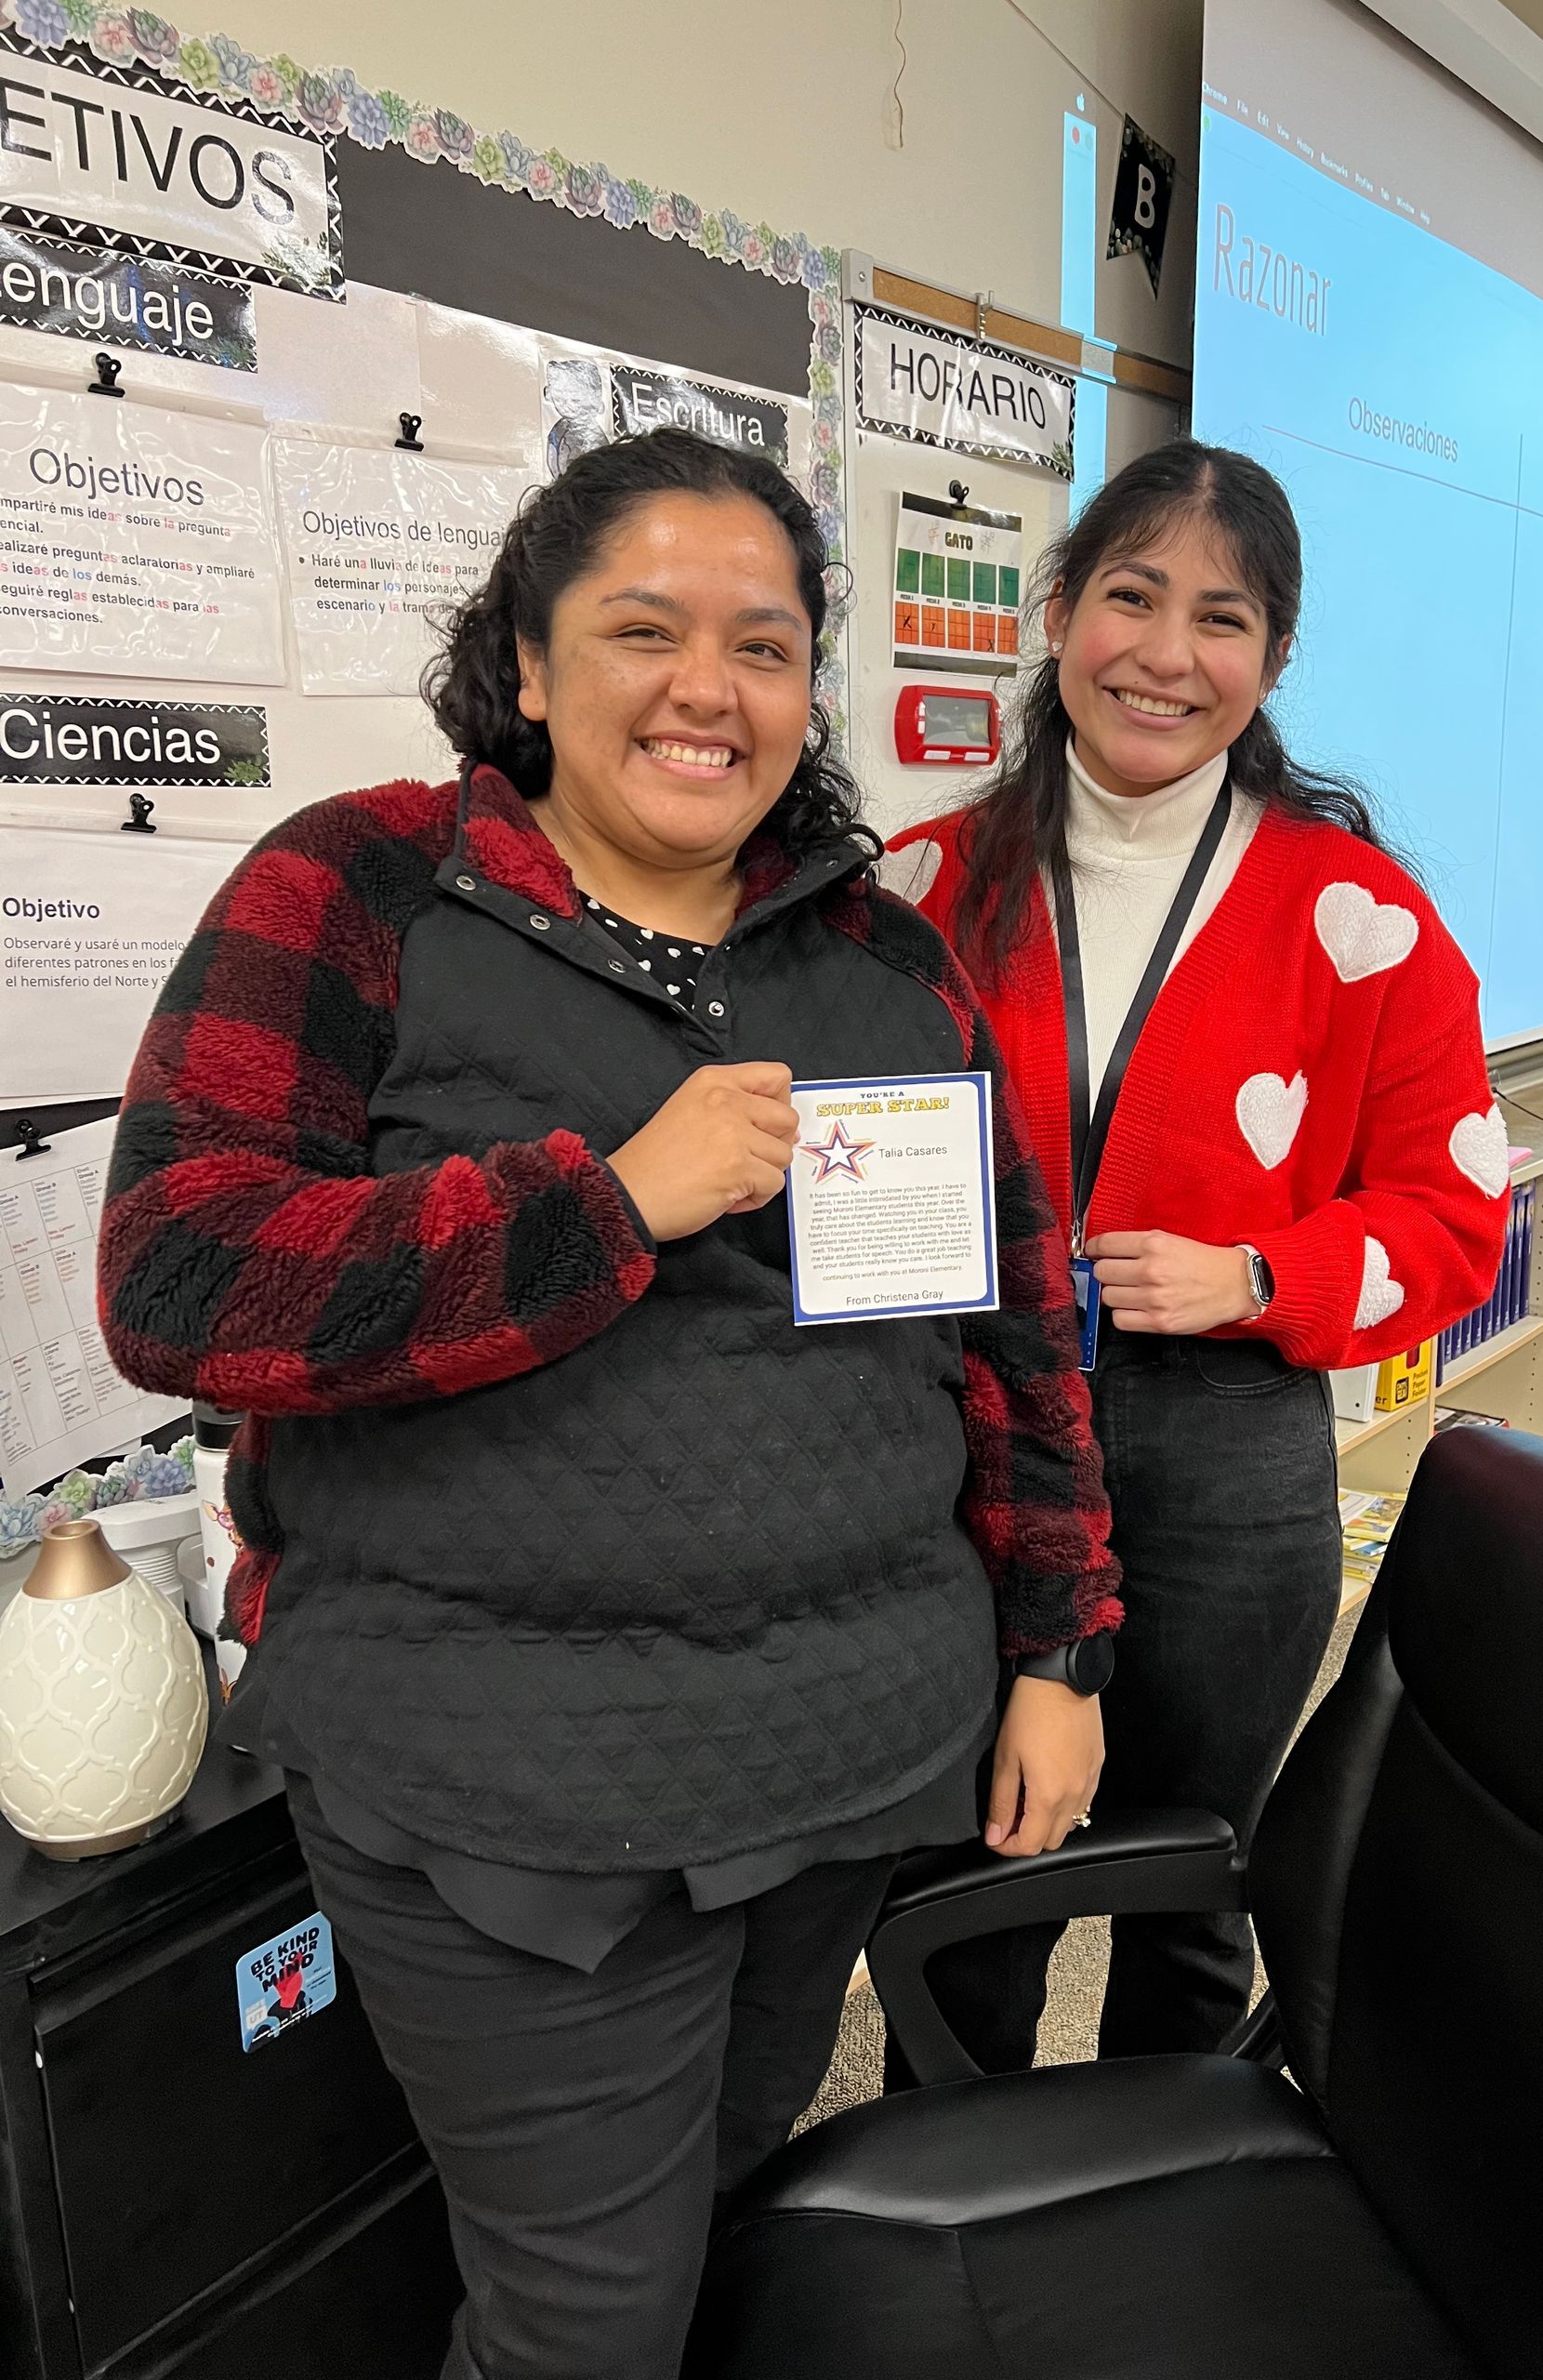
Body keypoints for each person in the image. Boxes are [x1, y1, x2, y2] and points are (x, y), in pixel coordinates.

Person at [98, 428, 1119, 2380]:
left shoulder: (880, 955)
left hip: (840, 1753)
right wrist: (603, 1204)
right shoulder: (365, 885)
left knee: (733, 2182)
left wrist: (1060, 1646)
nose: (704, 687)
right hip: (518, 1792)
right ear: (533, 664)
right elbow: (180, 1274)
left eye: (759, 641)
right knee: (587, 2317)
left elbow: (1010, 1329)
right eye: (641, 627)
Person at [882, 437, 1507, 2072]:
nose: (1167, 653)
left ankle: (1172, 2208)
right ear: (1060, 613)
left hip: (1230, 1454)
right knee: (975, 1866)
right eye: (1131, 596)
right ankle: (957, 2201)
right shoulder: (923, 883)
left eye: (1221, 619)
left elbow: (1457, 1217)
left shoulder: (1360, 917)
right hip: (974, 1449)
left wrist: (1262, 1278)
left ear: (1274, 660)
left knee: (1195, 1881)